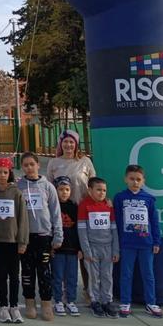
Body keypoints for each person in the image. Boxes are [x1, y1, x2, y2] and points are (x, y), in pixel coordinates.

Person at [46, 129, 96, 301]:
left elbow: (93, 185)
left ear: (76, 144)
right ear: (61, 144)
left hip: (82, 212)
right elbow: (49, 189)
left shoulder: (85, 161)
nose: (68, 145)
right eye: (65, 142)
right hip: (61, 214)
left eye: (72, 142)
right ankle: (59, 291)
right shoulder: (54, 163)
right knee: (61, 252)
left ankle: (89, 289)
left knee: (83, 250)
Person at [17, 152, 62, 321]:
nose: (29, 168)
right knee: (27, 272)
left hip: (44, 236)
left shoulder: (48, 186)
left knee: (44, 272)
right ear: (22, 167)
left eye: (32, 164)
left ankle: (46, 303)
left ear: (38, 165)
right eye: (25, 165)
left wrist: (58, 235)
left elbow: (55, 212)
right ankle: (29, 302)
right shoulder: (19, 185)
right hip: (25, 237)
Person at [0, 157, 29, 323]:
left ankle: (14, 306)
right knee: (1, 275)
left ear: (9, 173)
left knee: (14, 276)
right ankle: (3, 306)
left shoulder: (16, 193)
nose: (2, 175)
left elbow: (23, 219)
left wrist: (23, 241)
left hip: (14, 242)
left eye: (5, 172)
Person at [114, 165, 162, 319]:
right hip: (127, 244)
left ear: (143, 181)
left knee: (148, 274)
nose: (135, 182)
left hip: (146, 244)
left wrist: (156, 241)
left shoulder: (148, 199)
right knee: (126, 274)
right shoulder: (120, 198)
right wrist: (118, 243)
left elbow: (154, 222)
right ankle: (125, 302)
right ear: (125, 179)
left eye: (138, 179)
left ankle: (151, 302)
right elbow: (117, 222)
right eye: (132, 179)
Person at [78, 177, 119, 319]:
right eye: (98, 190)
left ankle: (107, 300)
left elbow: (114, 229)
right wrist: (86, 250)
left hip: (107, 247)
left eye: (104, 190)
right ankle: (95, 301)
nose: (102, 193)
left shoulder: (109, 206)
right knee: (94, 277)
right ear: (90, 190)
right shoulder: (84, 206)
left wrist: (116, 250)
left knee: (107, 276)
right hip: (92, 248)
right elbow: (82, 230)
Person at [52, 176, 81, 317]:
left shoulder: (74, 207)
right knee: (57, 276)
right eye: (61, 189)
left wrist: (79, 248)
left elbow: (79, 230)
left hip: (72, 249)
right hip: (57, 249)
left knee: (72, 277)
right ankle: (58, 300)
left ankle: (70, 300)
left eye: (67, 189)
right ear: (55, 190)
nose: (64, 192)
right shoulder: (52, 206)